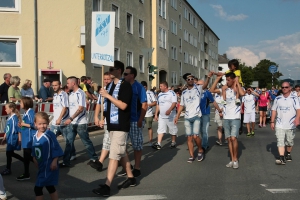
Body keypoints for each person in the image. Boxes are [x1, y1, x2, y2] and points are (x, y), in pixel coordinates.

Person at [92, 60, 135, 197]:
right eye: (109, 69)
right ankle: (131, 177)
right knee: (121, 153)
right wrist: (101, 117)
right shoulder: (109, 86)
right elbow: (107, 106)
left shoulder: (125, 85)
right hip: (111, 125)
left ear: (119, 70)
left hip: (121, 126)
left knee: (114, 155)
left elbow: (123, 106)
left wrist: (108, 96)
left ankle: (107, 185)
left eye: (112, 69)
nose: (110, 71)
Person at [64, 76, 99, 165]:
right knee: (69, 141)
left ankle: (94, 158)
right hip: (72, 123)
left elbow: (80, 108)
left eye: (68, 83)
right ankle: (66, 161)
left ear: (73, 83)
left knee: (86, 142)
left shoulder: (80, 93)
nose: (67, 85)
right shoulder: (71, 94)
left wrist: (71, 118)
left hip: (80, 123)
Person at [120, 66, 147, 177]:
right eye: (124, 74)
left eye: (126, 74)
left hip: (135, 120)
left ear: (132, 75)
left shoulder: (139, 87)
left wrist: (140, 119)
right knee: (122, 146)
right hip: (123, 121)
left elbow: (144, 104)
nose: (124, 76)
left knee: (137, 145)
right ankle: (127, 167)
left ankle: (137, 167)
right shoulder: (122, 85)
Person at [32, 112, 63, 200]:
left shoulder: (50, 135)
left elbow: (56, 148)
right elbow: (34, 148)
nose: (42, 126)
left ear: (48, 123)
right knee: (50, 186)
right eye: (40, 124)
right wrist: (34, 158)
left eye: (44, 123)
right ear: (35, 124)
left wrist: (54, 161)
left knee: (37, 189)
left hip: (48, 166)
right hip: (41, 166)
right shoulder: (34, 136)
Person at [174, 73, 205, 163]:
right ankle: (191, 156)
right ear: (186, 81)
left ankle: (200, 150)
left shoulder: (198, 88)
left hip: (196, 115)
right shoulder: (184, 92)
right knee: (189, 138)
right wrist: (177, 116)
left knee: (195, 136)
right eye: (189, 79)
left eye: (192, 79)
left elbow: (205, 85)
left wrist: (209, 77)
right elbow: (181, 105)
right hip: (187, 117)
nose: (191, 80)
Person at [217, 72, 245, 169]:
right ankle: (232, 160)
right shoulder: (225, 89)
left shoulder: (237, 89)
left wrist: (237, 83)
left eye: (228, 80)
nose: (227, 82)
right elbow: (212, 89)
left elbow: (242, 93)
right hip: (226, 117)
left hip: (235, 117)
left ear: (233, 80)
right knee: (228, 139)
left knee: (234, 138)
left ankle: (235, 159)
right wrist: (218, 79)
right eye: (226, 80)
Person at [271, 82, 300, 165]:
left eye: (286, 87)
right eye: (283, 87)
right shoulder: (278, 99)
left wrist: (297, 119)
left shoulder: (295, 98)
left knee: (289, 142)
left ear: (290, 88)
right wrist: (272, 121)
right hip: (280, 124)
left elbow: (298, 110)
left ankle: (288, 153)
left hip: (291, 124)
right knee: (280, 141)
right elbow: (274, 110)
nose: (284, 88)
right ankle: (281, 158)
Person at [91, 72, 113, 171]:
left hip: (114, 120)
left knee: (109, 141)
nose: (106, 81)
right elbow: (99, 104)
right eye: (104, 79)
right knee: (110, 141)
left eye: (108, 79)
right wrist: (97, 117)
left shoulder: (115, 90)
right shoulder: (102, 91)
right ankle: (124, 163)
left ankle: (100, 162)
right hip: (106, 120)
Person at [198, 75, 223, 151]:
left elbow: (214, 102)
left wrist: (219, 110)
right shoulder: (195, 92)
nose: (198, 86)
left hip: (205, 113)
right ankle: (205, 143)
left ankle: (204, 146)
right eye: (197, 84)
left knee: (204, 130)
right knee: (199, 131)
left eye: (200, 84)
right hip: (197, 114)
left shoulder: (207, 93)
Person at [50, 80, 71, 167]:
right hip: (54, 122)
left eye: (56, 85)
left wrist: (59, 118)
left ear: (60, 85)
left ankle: (66, 161)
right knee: (50, 140)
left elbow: (65, 107)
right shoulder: (55, 95)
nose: (54, 87)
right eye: (53, 85)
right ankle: (54, 157)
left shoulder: (64, 94)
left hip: (63, 122)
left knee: (68, 142)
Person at [152, 81, 178, 150]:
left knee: (172, 129)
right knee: (160, 129)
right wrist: (156, 114)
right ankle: (159, 143)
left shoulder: (172, 93)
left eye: (161, 86)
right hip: (162, 116)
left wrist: (169, 110)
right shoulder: (160, 94)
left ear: (165, 86)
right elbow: (158, 104)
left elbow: (174, 103)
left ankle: (173, 142)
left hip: (171, 116)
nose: (160, 88)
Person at [0, 102, 23, 175]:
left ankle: (8, 169)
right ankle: (25, 160)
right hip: (9, 138)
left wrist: (19, 139)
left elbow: (18, 129)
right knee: (11, 153)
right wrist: (4, 138)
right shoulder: (9, 118)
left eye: (6, 108)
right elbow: (7, 129)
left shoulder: (14, 118)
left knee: (9, 153)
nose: (5, 110)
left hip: (13, 138)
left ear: (11, 108)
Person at [17, 97, 36, 181]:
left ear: (25, 103)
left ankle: (27, 173)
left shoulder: (30, 112)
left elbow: (34, 125)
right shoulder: (25, 113)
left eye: (21, 102)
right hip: (25, 137)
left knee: (28, 157)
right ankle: (27, 173)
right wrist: (21, 125)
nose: (20, 104)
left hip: (29, 138)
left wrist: (24, 124)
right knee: (28, 157)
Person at [209, 76, 225, 145]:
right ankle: (220, 140)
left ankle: (228, 139)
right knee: (219, 127)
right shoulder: (215, 95)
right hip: (217, 112)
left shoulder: (224, 94)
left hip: (225, 112)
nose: (217, 90)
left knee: (226, 126)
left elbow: (227, 103)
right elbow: (211, 90)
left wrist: (222, 110)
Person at [141, 81, 157, 146]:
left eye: (144, 87)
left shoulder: (150, 93)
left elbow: (155, 102)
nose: (143, 88)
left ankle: (150, 141)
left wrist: (148, 105)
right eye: (142, 87)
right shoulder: (140, 92)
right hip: (141, 113)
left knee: (149, 127)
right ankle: (140, 141)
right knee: (139, 128)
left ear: (146, 87)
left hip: (148, 113)